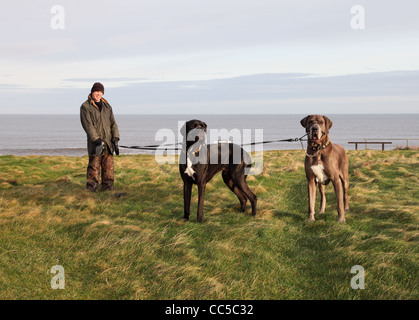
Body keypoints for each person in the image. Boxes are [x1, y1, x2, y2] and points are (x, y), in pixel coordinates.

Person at [80, 82, 120, 192]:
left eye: (100, 92)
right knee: (94, 166)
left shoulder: (107, 106)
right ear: (92, 92)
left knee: (108, 167)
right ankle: (91, 189)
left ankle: (108, 188)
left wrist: (115, 138)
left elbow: (113, 124)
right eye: (96, 91)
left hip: (108, 143)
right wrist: (96, 139)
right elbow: (88, 125)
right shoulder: (85, 107)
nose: (98, 94)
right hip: (95, 144)